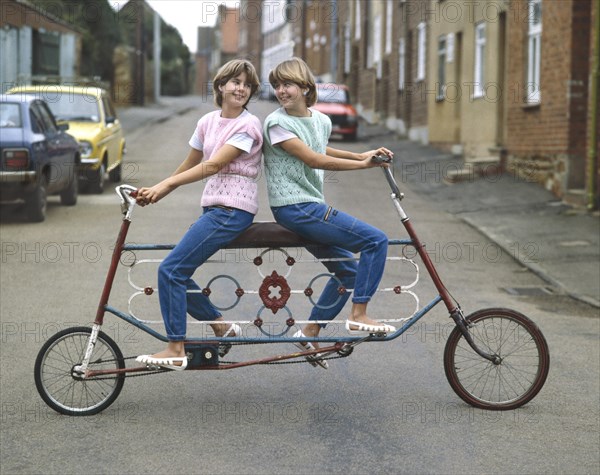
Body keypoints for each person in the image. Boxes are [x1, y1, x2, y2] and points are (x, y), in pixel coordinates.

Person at [262, 57, 395, 369]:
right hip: (294, 208)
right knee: (375, 241)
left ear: (306, 87)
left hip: (310, 206)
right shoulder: (276, 124)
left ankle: (309, 331)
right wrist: (363, 165)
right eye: (278, 85)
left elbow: (321, 147)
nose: (282, 91)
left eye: (288, 84)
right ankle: (359, 315)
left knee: (348, 272)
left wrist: (361, 153)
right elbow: (313, 159)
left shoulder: (321, 120)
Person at [135, 59, 263, 371]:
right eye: (235, 81)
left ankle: (175, 346)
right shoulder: (207, 121)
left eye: (246, 84)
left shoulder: (248, 126)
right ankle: (221, 327)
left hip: (233, 211)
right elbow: (191, 161)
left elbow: (213, 165)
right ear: (220, 86)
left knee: (170, 271)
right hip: (215, 208)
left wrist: (166, 185)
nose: (241, 88)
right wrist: (160, 188)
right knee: (177, 271)